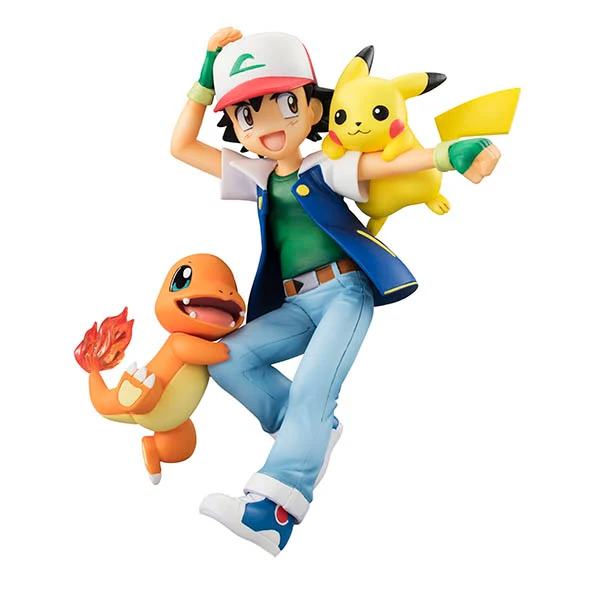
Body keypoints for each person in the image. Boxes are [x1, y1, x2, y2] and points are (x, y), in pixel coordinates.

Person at [171, 26, 500, 555]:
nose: (268, 126)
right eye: (248, 116)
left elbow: (384, 163)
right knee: (226, 357)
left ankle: (273, 513)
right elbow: (182, 147)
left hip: (345, 293)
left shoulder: (327, 164)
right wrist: (205, 79)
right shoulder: (257, 175)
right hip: (294, 303)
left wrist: (448, 155)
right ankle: (311, 432)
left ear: (312, 107)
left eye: (284, 105)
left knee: (312, 390)